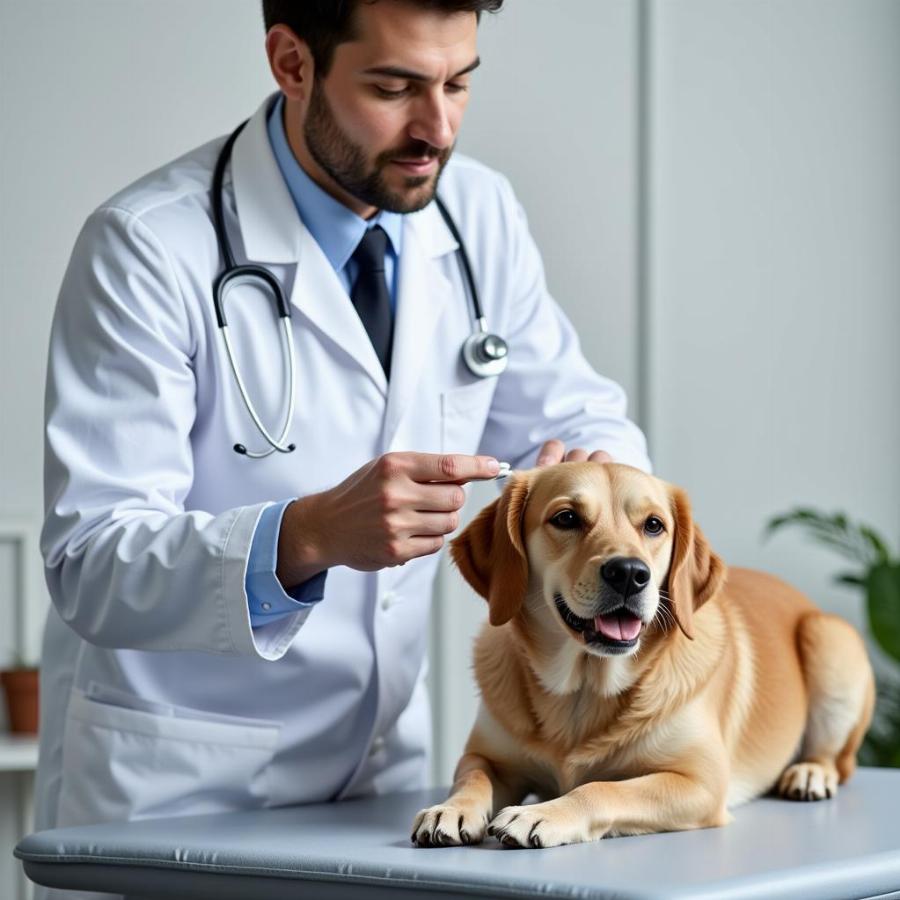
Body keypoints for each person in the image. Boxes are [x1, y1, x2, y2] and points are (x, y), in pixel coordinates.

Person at [36, 0, 651, 852]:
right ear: (292, 63)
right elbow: (91, 563)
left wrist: (593, 477)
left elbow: (584, 415)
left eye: (459, 83)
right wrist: (310, 534)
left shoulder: (477, 214)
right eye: (395, 87)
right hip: (179, 784)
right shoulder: (148, 247)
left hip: (384, 779)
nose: (436, 127)